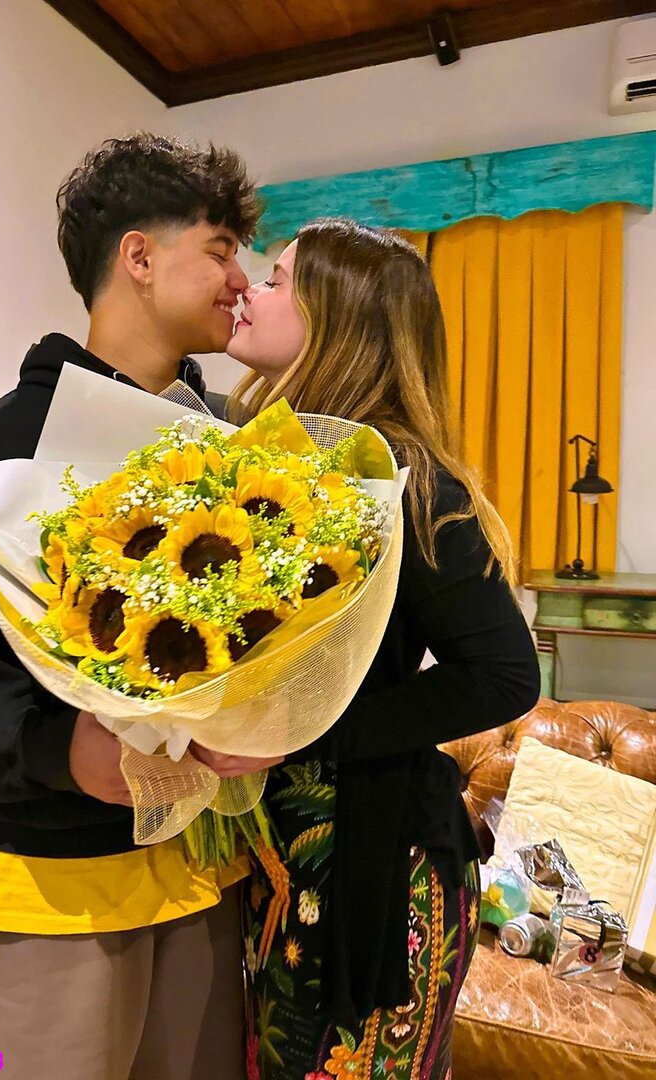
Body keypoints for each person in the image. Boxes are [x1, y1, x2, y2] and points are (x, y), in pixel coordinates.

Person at [0, 132, 277, 1080]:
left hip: (205, 878)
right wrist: (60, 750)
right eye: (220, 249)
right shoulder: (6, 441)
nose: (240, 279)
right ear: (139, 257)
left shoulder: (231, 443)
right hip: (55, 890)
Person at [225, 219, 541, 1080]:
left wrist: (306, 728)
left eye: (277, 279)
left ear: (337, 318)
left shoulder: (409, 479)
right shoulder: (271, 460)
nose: (249, 288)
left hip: (382, 866)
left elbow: (505, 675)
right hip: (293, 861)